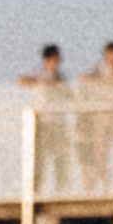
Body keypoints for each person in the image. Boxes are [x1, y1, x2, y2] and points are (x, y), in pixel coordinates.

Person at [77, 41, 113, 190]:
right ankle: (103, 181)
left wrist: (103, 82)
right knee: (100, 149)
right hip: (100, 114)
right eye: (110, 54)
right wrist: (104, 82)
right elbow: (84, 78)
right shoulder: (97, 69)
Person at [18, 45, 71, 190]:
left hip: (58, 121)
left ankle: (62, 188)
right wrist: (40, 82)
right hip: (41, 121)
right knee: (39, 157)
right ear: (50, 58)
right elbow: (21, 80)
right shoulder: (38, 72)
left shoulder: (61, 76)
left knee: (60, 156)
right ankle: (35, 188)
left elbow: (70, 95)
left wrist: (59, 85)